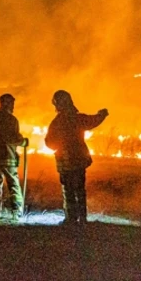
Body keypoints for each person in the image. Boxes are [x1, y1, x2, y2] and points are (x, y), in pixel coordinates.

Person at [44, 90, 108, 226]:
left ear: (57, 104)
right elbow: (92, 121)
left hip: (65, 160)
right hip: (80, 159)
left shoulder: (57, 122)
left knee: (68, 190)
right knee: (80, 189)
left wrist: (60, 145)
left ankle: (71, 219)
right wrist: (102, 115)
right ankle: (83, 219)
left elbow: (49, 143)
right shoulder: (78, 118)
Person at [0, 94, 28, 219]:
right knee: (13, 184)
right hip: (8, 156)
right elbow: (12, 138)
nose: (13, 107)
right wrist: (24, 142)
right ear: (6, 104)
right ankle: (17, 210)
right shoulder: (10, 119)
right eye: (12, 104)